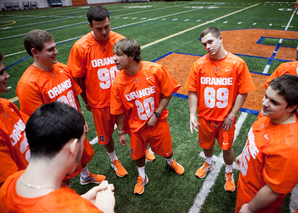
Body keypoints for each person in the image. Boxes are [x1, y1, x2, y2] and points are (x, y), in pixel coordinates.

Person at [67, 5, 155, 178]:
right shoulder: (81, 47)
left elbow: (135, 66)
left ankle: (141, 150)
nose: (104, 31)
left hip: (125, 97)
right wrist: (86, 100)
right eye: (99, 28)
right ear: (90, 26)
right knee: (105, 136)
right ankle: (114, 159)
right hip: (100, 101)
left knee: (135, 128)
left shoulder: (120, 40)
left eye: (107, 26)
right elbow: (77, 77)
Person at [16, 29, 105, 185]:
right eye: (50, 49)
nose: (56, 52)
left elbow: (74, 97)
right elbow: (38, 121)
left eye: (54, 47)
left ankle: (85, 176)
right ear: (35, 52)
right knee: (63, 175)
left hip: (74, 125)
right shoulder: (28, 85)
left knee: (83, 155)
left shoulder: (62, 68)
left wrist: (81, 118)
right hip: (58, 136)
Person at [0, 102, 115, 213]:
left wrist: (81, 200)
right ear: (73, 147)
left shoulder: (11, 182)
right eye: (83, 141)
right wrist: (106, 209)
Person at [184, 26, 256, 192]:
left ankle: (229, 172)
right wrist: (192, 114)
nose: (208, 46)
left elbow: (242, 92)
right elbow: (192, 91)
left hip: (225, 119)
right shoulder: (199, 64)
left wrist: (232, 115)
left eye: (210, 41)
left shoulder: (237, 63)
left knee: (227, 148)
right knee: (206, 144)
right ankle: (208, 163)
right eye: (204, 44)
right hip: (205, 117)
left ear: (220, 38)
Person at [110, 38, 185, 195]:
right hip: (136, 127)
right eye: (114, 54)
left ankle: (170, 162)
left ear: (131, 56)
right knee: (137, 154)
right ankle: (142, 176)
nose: (114, 58)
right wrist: (121, 132)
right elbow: (119, 111)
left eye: (118, 54)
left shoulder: (155, 70)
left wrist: (156, 114)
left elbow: (167, 93)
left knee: (166, 149)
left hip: (158, 122)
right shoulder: (118, 83)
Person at [235, 74, 298, 213]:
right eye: (266, 96)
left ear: (291, 108)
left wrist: (250, 208)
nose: (264, 103)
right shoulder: (270, 115)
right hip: (245, 186)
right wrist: (244, 153)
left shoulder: (291, 148)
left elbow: (273, 190)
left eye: (274, 102)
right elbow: (257, 137)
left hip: (256, 201)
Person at [265, 25, 298, 139]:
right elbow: (268, 89)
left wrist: (284, 99)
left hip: (292, 136)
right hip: (268, 125)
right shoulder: (285, 67)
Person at [0, 53, 30, 187]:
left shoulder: (5, 105)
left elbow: (33, 125)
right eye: (1, 73)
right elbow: (9, 185)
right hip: (24, 196)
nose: (7, 76)